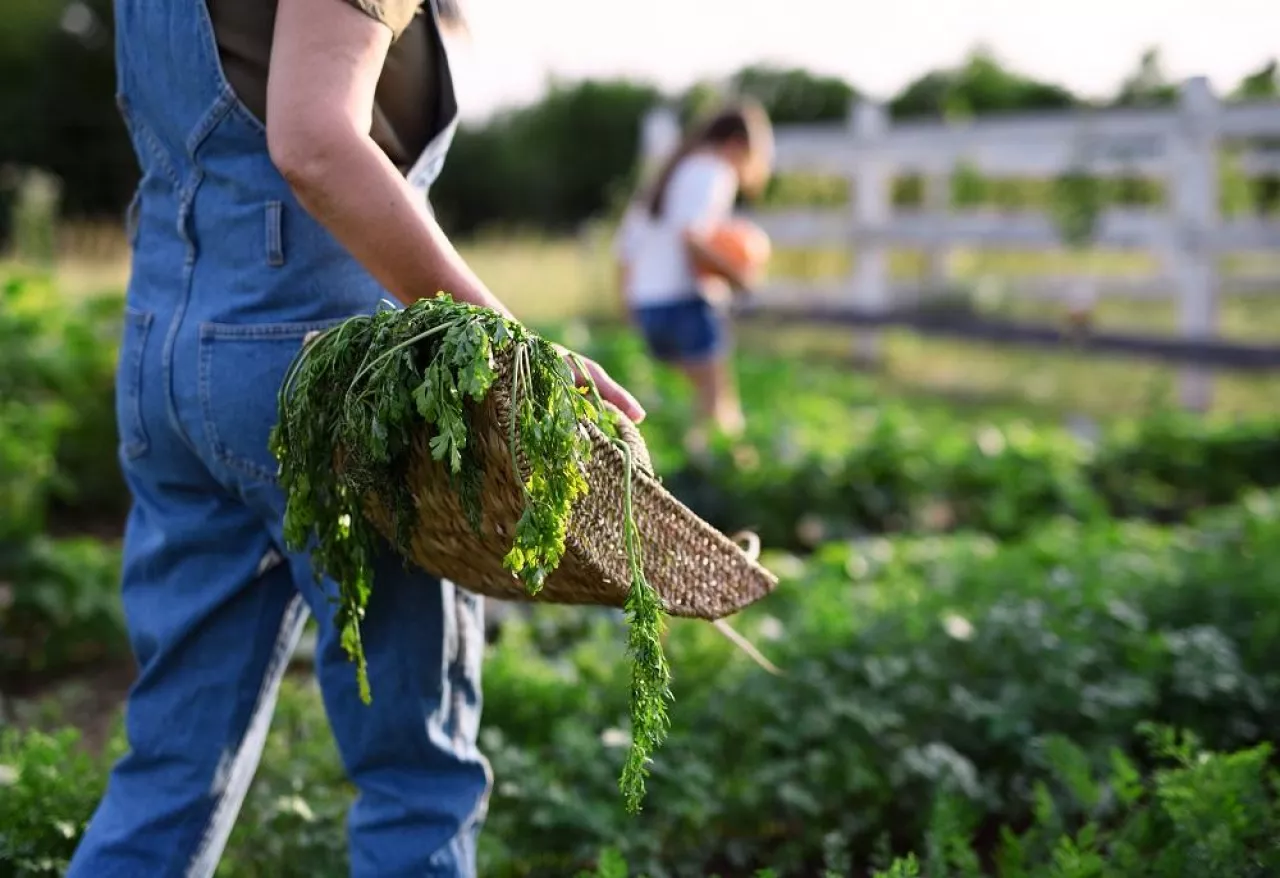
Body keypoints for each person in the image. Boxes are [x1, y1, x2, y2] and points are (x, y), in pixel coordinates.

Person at [68, 1, 644, 877]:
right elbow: (314, 146)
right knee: (415, 775)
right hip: (326, 378)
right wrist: (507, 349)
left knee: (171, 765)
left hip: (165, 356)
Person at [615, 98, 774, 453]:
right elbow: (693, 238)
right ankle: (721, 480)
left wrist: (628, 306)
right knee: (717, 407)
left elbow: (625, 248)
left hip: (648, 303)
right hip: (684, 302)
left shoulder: (671, 172)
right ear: (736, 144)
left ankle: (675, 476)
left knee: (676, 407)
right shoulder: (712, 171)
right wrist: (737, 277)